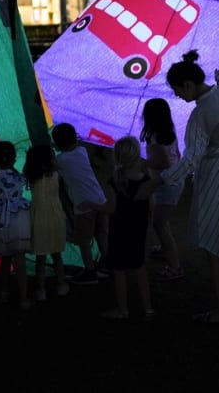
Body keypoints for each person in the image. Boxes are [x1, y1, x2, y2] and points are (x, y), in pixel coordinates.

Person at [157, 50, 219, 323]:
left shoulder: (200, 114)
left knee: (216, 245)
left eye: (178, 89)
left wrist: (161, 178)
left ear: (188, 84)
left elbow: (191, 158)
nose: (178, 96)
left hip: (218, 178)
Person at [99, 135, 155, 320]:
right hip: (138, 231)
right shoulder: (146, 180)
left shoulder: (114, 182)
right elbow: (151, 207)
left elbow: (111, 208)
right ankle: (148, 308)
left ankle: (123, 309)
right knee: (140, 268)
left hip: (119, 232)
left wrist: (93, 205)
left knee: (119, 271)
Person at [51, 122, 109, 286]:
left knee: (84, 240)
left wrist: (52, 148)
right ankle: (107, 265)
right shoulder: (82, 151)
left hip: (84, 205)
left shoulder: (60, 159)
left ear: (57, 143)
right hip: (100, 200)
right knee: (101, 234)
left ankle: (90, 271)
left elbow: (51, 167)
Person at [0, 140, 33, 310]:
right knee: (20, 259)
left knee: (5, 258)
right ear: (13, 158)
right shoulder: (18, 177)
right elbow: (22, 178)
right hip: (17, 222)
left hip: (0, 223)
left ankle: (4, 293)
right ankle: (24, 297)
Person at [139, 98, 184, 282]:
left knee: (159, 223)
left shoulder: (156, 137)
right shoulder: (169, 132)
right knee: (161, 221)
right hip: (172, 182)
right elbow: (176, 156)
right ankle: (166, 249)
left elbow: (163, 162)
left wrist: (142, 162)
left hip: (165, 184)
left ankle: (175, 267)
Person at [22, 144, 69, 302]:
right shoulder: (56, 174)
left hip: (39, 216)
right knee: (57, 254)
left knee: (40, 258)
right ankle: (61, 285)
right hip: (55, 215)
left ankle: (41, 290)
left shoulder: (31, 176)